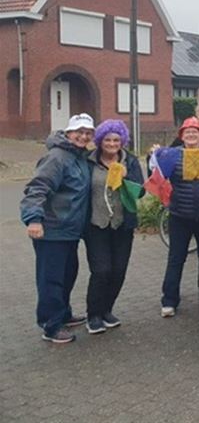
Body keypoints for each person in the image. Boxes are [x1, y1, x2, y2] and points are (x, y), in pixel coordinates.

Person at [21, 113, 94, 343]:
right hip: (52, 230)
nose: (83, 136)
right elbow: (38, 187)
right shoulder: (57, 157)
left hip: (70, 231)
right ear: (69, 133)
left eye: (87, 133)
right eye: (79, 132)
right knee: (51, 279)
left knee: (67, 274)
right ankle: (51, 326)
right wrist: (33, 219)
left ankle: (63, 313)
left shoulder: (79, 157)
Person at [84, 119, 144, 334]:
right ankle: (93, 315)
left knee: (118, 270)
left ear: (122, 141)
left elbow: (141, 191)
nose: (112, 143)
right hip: (96, 224)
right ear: (100, 141)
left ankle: (107, 310)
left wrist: (128, 179)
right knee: (101, 270)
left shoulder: (131, 161)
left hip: (122, 224)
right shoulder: (89, 161)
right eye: (108, 139)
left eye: (116, 139)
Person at [158, 117, 199, 317]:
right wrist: (154, 156)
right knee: (176, 258)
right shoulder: (172, 156)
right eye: (187, 132)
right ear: (182, 136)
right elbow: (157, 175)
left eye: (195, 132)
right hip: (179, 215)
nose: (191, 135)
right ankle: (169, 300)